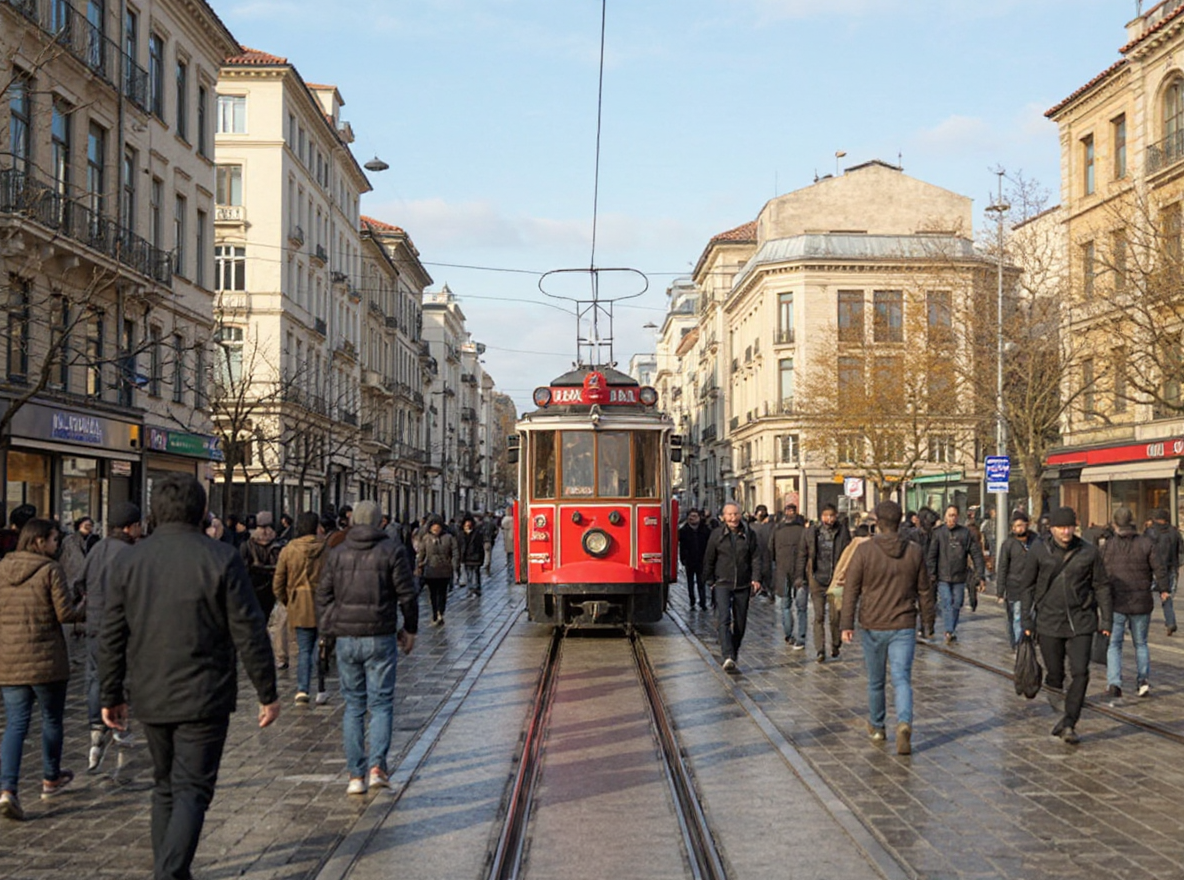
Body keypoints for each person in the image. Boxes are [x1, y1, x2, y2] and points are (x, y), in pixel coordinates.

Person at [100, 473, 279, 879]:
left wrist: (111, 694)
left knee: (165, 786)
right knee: (193, 789)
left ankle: (173, 870)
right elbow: (249, 630)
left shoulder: (129, 560)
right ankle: (170, 872)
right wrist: (267, 691)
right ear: (201, 511)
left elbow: (111, 634)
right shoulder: (219, 557)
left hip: (150, 689)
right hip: (205, 691)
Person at [316, 500, 417, 795]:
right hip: (380, 635)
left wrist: (328, 630)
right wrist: (410, 630)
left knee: (354, 705)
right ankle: (377, 768)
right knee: (382, 703)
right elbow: (407, 595)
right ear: (379, 522)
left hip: (347, 638)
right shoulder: (392, 550)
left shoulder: (337, 553)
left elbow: (323, 596)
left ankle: (355, 776)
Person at [0, 518, 85, 820]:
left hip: (9, 659)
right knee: (51, 719)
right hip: (46, 659)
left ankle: (7, 789)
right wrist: (85, 606)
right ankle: (50, 777)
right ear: (38, 542)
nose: (56, 544)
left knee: (15, 724)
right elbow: (65, 614)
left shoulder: (2, 568)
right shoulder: (50, 570)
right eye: (52, 540)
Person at [841, 501, 933, 756]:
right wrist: (928, 622)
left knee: (876, 680)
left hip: (873, 623)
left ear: (878, 522)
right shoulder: (914, 551)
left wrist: (846, 624)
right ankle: (904, 722)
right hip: (904, 623)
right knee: (902, 678)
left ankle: (878, 726)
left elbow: (851, 589)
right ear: (900, 521)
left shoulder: (864, 550)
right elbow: (925, 589)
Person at [1020, 506, 1111, 745]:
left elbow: (1101, 586)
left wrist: (1107, 620)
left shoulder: (1088, 552)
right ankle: (1058, 704)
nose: (1065, 532)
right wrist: (1026, 620)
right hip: (1049, 621)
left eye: (1069, 527)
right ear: (1052, 529)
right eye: (1061, 527)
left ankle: (1070, 721)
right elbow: (1027, 586)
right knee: (1055, 673)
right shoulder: (1039, 550)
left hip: (1081, 620)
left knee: (1081, 672)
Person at [74, 502, 142, 774]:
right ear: (131, 526)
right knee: (120, 675)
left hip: (94, 625)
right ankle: (119, 727)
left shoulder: (97, 548)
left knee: (93, 675)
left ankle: (95, 728)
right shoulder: (130, 553)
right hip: (120, 626)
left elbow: (78, 582)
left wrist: (89, 598)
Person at [1101, 507, 1167, 699]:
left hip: (1116, 602)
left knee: (1114, 644)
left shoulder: (1108, 546)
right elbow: (1159, 568)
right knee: (1141, 643)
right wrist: (1164, 589)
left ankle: (1114, 682)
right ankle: (1143, 680)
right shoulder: (1146, 543)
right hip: (1141, 601)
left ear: (1115, 524)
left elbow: (1100, 573)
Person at [273, 511, 327, 705]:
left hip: (299, 604)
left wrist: (289, 600)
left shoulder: (289, 550)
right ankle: (321, 688)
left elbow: (278, 581)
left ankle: (302, 689)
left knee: (304, 649)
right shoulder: (326, 548)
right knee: (322, 648)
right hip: (323, 603)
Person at [703, 502, 762, 674]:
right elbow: (709, 559)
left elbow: (756, 558)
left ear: (740, 515)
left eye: (735, 514)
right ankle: (727, 655)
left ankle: (734, 651)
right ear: (723, 517)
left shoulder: (749, 534)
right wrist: (709, 580)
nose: (732, 518)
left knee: (741, 623)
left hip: (743, 584)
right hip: (722, 582)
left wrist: (756, 579)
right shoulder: (717, 535)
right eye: (729, 515)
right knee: (723, 619)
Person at [796, 503, 851, 663]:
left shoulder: (843, 532)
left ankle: (835, 644)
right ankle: (820, 650)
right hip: (816, 578)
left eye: (832, 515)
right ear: (821, 516)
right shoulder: (811, 532)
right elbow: (802, 555)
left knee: (835, 616)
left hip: (836, 580)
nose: (829, 519)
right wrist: (800, 576)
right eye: (826, 515)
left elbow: (849, 555)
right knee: (818, 615)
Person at [925, 505, 985, 644]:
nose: (952, 518)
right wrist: (931, 573)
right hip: (943, 576)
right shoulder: (938, 533)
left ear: (958, 517)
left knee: (957, 603)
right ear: (945, 517)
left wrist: (980, 574)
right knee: (946, 602)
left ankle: (951, 628)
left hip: (959, 576)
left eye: (954, 515)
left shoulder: (965, 533)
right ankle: (949, 630)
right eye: (949, 515)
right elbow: (932, 555)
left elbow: (975, 553)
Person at [242, 512, 284, 667]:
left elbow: (243, 568)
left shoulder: (248, 545)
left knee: (257, 622)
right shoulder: (278, 544)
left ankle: (257, 651)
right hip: (273, 587)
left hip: (254, 588)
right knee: (270, 621)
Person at [995, 511, 1041, 650]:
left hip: (1033, 586)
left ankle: (1026, 640)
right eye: (1017, 526)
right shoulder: (1008, 544)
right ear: (1012, 528)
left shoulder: (1036, 541)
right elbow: (1002, 567)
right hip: (1015, 586)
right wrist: (1000, 591)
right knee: (1017, 616)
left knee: (1030, 615)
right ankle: (1019, 644)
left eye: (1022, 525)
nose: (1020, 528)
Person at [769, 503, 807, 647]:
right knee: (800, 607)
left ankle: (789, 634)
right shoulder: (803, 531)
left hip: (783, 570)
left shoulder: (777, 531)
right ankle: (801, 636)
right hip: (800, 572)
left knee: (786, 604)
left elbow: (770, 549)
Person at [1145, 509, 1184, 636]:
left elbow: (1143, 549)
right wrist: (1177, 564)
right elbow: (1181, 550)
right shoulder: (1174, 532)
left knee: (1147, 596)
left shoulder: (1150, 532)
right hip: (1171, 568)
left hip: (1153, 568)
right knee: (1166, 596)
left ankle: (1143, 623)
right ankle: (1170, 621)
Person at [416, 516, 458, 625]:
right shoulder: (426, 538)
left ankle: (441, 611)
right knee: (433, 594)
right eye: (434, 526)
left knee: (442, 593)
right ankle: (435, 613)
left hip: (444, 569)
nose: (436, 528)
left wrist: (454, 565)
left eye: (438, 526)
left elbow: (455, 553)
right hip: (430, 569)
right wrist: (419, 566)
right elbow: (421, 553)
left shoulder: (448, 538)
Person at [678, 509, 711, 610]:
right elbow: (682, 547)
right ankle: (692, 599)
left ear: (699, 517)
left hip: (702, 560)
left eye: (694, 516)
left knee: (702, 582)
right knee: (690, 582)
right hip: (690, 560)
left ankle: (702, 602)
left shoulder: (705, 530)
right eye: (690, 516)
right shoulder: (683, 531)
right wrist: (683, 559)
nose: (692, 518)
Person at [59, 516, 98, 588]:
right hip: (74, 576)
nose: (89, 528)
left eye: (91, 525)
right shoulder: (71, 540)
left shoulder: (93, 539)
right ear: (80, 525)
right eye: (87, 525)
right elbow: (76, 558)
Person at [457, 515, 485, 596]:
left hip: (476, 557)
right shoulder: (461, 534)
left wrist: (481, 557)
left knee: (476, 573)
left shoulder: (477, 533)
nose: (468, 526)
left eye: (469, 524)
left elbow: (480, 546)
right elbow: (459, 545)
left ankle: (476, 587)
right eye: (466, 524)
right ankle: (470, 588)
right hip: (466, 557)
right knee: (469, 573)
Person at [500, 510, 515, 574]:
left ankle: (509, 564)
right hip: (512, 540)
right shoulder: (512, 520)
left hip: (506, 540)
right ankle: (511, 565)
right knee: (512, 554)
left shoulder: (504, 520)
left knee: (508, 554)